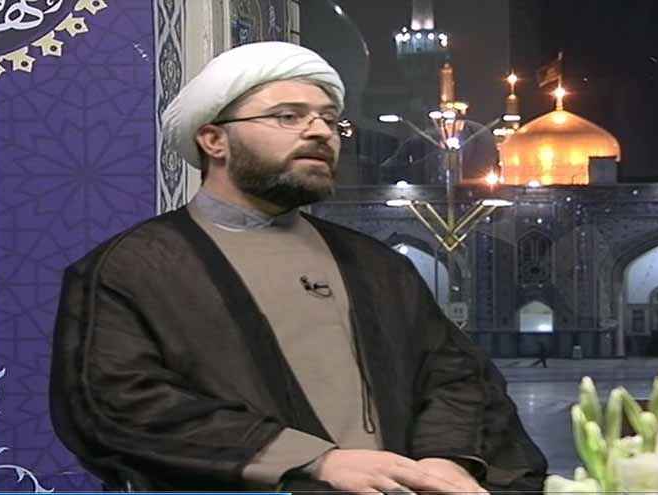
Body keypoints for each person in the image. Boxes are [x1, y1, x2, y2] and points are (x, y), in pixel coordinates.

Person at [49, 42, 547, 493]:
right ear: (214, 141)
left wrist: (445, 460)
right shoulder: (133, 269)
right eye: (288, 116)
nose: (319, 131)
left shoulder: (375, 265)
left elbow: (455, 375)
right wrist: (314, 461)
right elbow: (119, 404)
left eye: (330, 120)